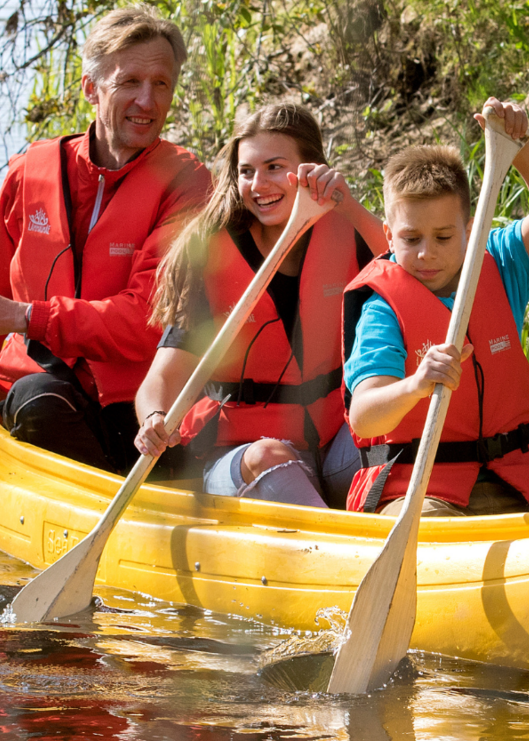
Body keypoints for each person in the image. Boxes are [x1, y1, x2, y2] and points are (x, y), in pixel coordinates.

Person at [0, 6, 212, 471]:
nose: (147, 101)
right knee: (38, 397)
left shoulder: (189, 184)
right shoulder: (29, 172)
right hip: (35, 389)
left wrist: (24, 316)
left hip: (135, 413)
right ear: (91, 89)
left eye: (161, 84)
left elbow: (147, 321)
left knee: (39, 400)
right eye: (130, 82)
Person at [342, 99, 529, 517]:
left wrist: (521, 148)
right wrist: (417, 384)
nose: (427, 253)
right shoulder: (382, 309)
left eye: (444, 237)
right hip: (423, 486)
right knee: (432, 533)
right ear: (389, 236)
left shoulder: (500, 262)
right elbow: (365, 418)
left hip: (519, 475)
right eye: (411, 239)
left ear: (469, 229)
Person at [131, 103, 386, 507]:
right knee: (270, 455)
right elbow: (162, 377)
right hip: (240, 455)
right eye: (246, 171)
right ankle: (341, 554)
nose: (257, 184)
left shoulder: (347, 233)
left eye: (273, 167)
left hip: (335, 442)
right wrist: (153, 418)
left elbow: (413, 275)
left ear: (310, 168)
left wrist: (349, 205)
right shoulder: (213, 255)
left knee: (404, 417)